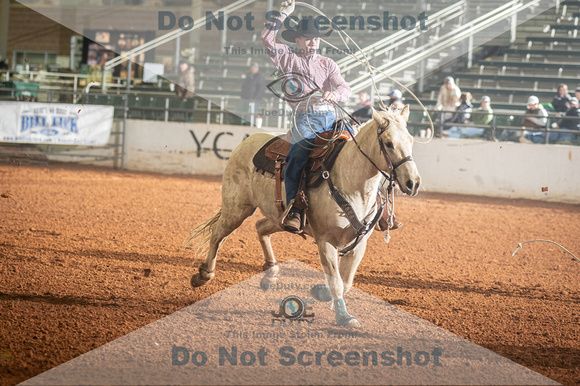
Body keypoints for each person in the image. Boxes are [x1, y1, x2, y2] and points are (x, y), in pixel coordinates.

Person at [262, 0, 351, 232]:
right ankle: (295, 208)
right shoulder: (286, 57)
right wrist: (283, 14)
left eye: (316, 38)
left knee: (362, 145)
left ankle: (379, 207)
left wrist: (335, 94)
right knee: (298, 153)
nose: (313, 43)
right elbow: (267, 39)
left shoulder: (327, 63)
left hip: (330, 116)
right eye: (308, 38)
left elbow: (345, 88)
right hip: (304, 118)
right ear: (298, 40)